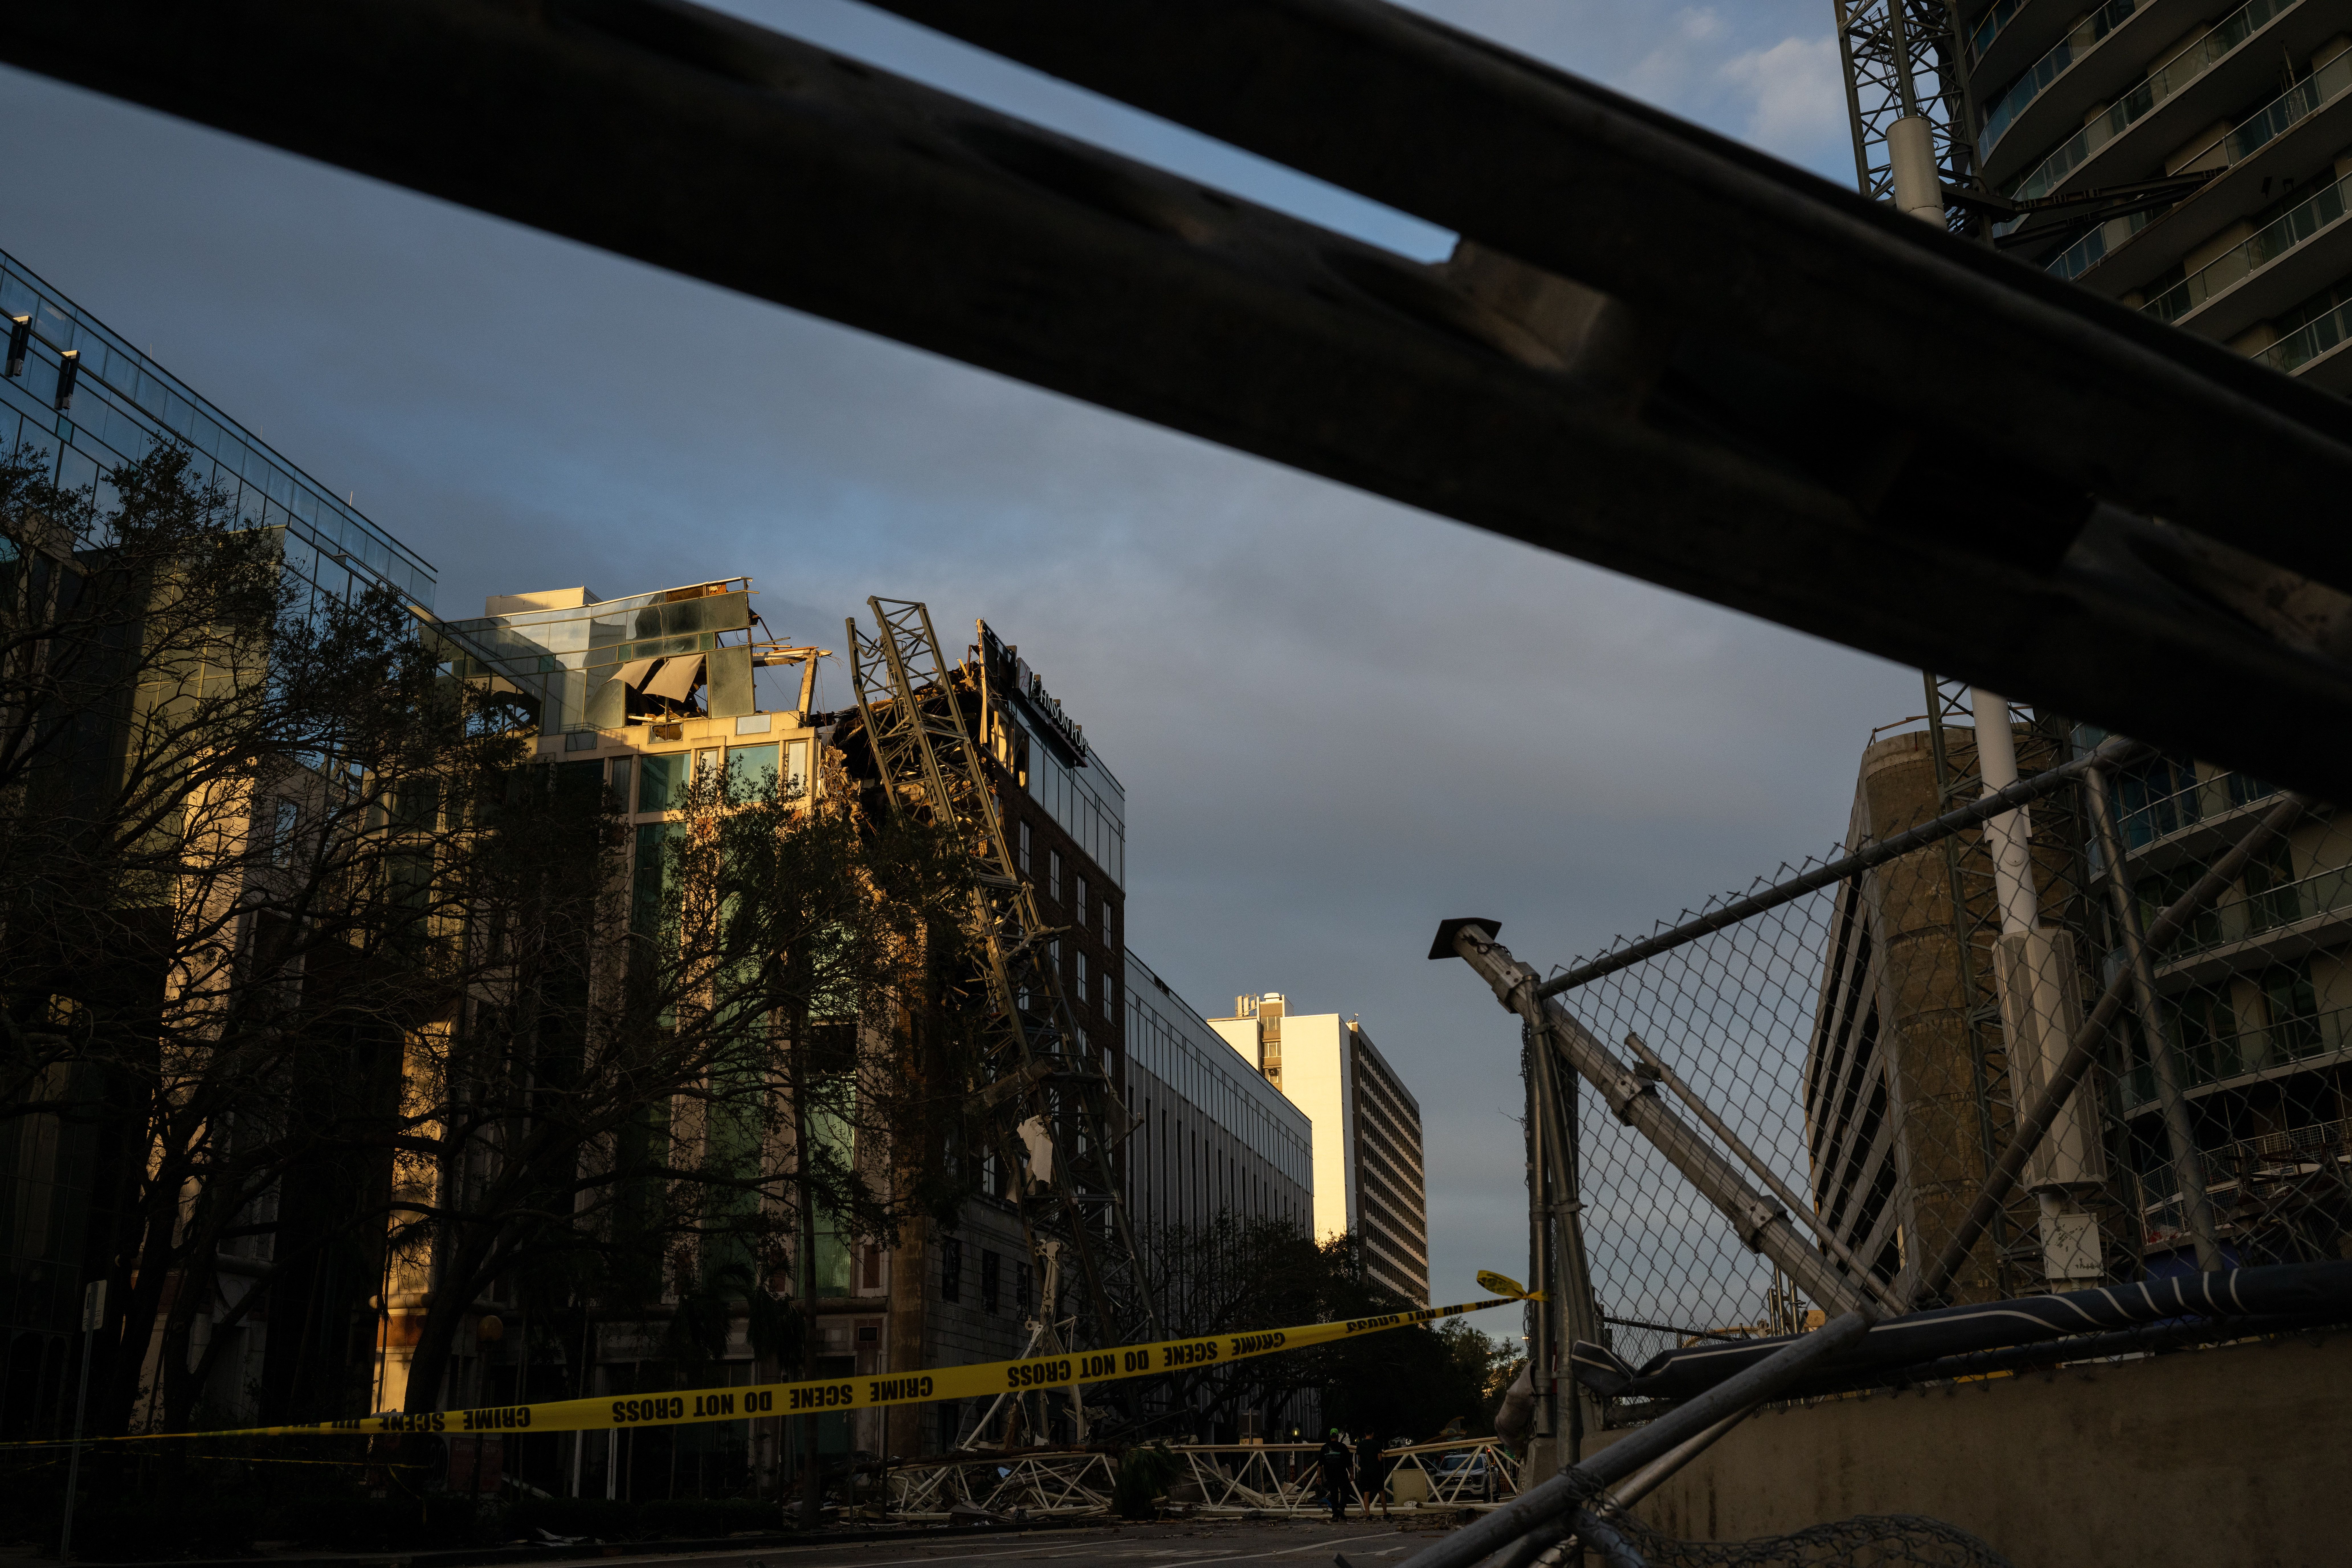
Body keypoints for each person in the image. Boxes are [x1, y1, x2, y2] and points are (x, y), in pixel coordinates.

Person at [1316, 1428, 1353, 1521]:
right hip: (1341, 1473)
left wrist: (1319, 1476)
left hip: (1330, 1474)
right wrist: (1352, 1474)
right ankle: (1341, 1508)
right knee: (1346, 1491)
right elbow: (1350, 1463)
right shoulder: (1343, 1447)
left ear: (1330, 1437)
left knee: (1334, 1494)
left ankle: (1336, 1515)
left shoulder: (1325, 1448)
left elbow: (1320, 1464)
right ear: (1337, 1437)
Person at [1355, 1430, 1389, 1519]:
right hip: (1376, 1471)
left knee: (1367, 1493)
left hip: (1366, 1472)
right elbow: (1380, 1459)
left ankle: (1368, 1515)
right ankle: (1385, 1514)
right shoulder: (1377, 1444)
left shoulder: (1360, 1445)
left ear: (1365, 1434)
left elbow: (1360, 1458)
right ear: (1373, 1434)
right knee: (1381, 1492)